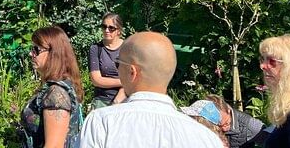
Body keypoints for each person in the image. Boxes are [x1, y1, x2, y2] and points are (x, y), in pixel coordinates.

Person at [79, 32, 223, 148]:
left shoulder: (101, 123)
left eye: (118, 64)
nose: (117, 70)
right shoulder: (207, 139)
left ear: (132, 72)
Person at [20, 26, 83, 148]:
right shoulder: (60, 86)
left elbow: (54, 145)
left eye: (36, 49)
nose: (31, 53)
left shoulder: (56, 93)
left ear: (53, 53)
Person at [88, 13, 125, 108]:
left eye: (111, 28)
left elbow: (133, 77)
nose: (106, 30)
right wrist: (124, 82)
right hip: (102, 101)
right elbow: (96, 80)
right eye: (104, 27)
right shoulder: (95, 48)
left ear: (119, 30)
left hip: (125, 99)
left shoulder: (127, 48)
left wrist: (117, 101)